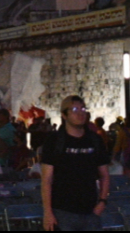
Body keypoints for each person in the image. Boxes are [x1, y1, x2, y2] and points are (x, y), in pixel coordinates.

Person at [40, 95, 111, 232]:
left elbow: (104, 174)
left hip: (90, 210)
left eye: (83, 109)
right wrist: (47, 212)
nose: (80, 113)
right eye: (74, 109)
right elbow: (47, 179)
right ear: (64, 115)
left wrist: (102, 201)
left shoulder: (95, 140)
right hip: (62, 211)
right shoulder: (54, 141)